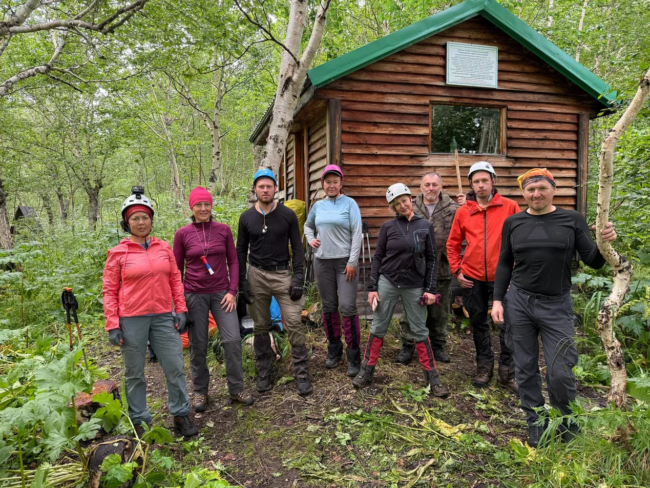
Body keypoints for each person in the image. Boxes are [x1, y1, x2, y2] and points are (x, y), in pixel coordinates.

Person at [491, 168, 617, 447]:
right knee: (525, 367)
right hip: (519, 302)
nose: (536, 194)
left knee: (560, 370)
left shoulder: (572, 220)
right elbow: (504, 263)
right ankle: (536, 421)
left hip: (557, 304)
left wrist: (604, 242)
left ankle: (566, 422)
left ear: (553, 190)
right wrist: (498, 300)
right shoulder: (513, 222)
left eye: (542, 188)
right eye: (530, 189)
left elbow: (594, 261)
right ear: (524, 193)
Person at [102, 188, 198, 437]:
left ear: (151, 219)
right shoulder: (118, 253)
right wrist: (112, 324)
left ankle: (181, 414)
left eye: (145, 217)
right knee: (135, 373)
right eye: (135, 218)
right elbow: (109, 290)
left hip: (164, 316)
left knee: (175, 366)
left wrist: (181, 309)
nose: (141, 222)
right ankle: (140, 420)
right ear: (127, 222)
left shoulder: (163, 248)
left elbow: (175, 279)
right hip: (131, 319)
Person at [352, 183, 449, 398]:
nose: (402, 205)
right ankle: (366, 370)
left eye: (404, 201)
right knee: (378, 326)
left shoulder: (425, 226)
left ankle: (432, 377)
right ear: (393, 208)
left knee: (420, 329)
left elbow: (432, 259)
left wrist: (430, 289)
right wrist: (372, 287)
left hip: (414, 285)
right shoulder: (388, 227)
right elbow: (378, 257)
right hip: (388, 281)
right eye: (397, 204)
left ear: (410, 199)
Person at [173, 187, 254, 412]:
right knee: (198, 344)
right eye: (198, 205)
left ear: (211, 206)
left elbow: (234, 261)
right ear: (191, 208)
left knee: (232, 340)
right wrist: (179, 301)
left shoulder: (223, 230)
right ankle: (200, 391)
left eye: (206, 204)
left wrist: (232, 291)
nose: (203, 208)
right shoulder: (182, 234)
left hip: (222, 294)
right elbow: (176, 270)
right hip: (194, 295)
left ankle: (236, 388)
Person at [236, 168, 312, 396]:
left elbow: (297, 247)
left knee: (294, 321)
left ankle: (301, 374)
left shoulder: (287, 215)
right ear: (255, 189)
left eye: (269, 186)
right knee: (260, 325)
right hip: (256, 274)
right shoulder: (246, 217)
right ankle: (264, 372)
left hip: (282, 274)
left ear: (275, 189)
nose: (265, 190)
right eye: (261, 186)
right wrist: (242, 282)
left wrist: (298, 277)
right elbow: (240, 250)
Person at [446, 161, 519, 392]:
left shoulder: (510, 207)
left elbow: (521, 241)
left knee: (508, 323)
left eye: (484, 180)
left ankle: (507, 371)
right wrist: (458, 271)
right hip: (472, 277)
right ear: (471, 184)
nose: (480, 185)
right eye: (476, 181)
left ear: (493, 181)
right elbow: (453, 244)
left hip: (503, 277)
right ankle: (484, 366)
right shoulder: (463, 211)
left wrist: (516, 273)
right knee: (478, 322)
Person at [304, 165, 363, 377]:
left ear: (341, 183)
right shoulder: (318, 206)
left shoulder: (350, 204)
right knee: (329, 306)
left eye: (335, 182)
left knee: (347, 306)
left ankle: (353, 354)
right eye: (328, 182)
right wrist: (311, 239)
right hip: (322, 262)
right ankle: (334, 348)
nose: (331, 185)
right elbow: (308, 225)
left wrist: (352, 261)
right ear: (323, 183)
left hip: (344, 263)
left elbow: (357, 233)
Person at [396, 172, 459, 365]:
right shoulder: (410, 206)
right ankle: (408, 345)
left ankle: (438, 345)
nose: (431, 188)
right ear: (421, 187)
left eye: (434, 184)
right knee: (410, 310)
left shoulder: (453, 208)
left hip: (441, 266)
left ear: (441, 186)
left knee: (439, 312)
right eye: (427, 185)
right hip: (413, 269)